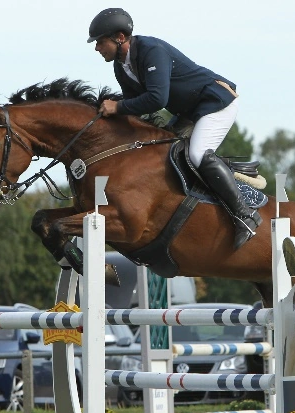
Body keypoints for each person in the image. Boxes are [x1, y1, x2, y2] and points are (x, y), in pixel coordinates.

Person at [87, 8, 261, 250]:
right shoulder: (120, 66)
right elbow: (135, 108)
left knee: (197, 155)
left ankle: (245, 216)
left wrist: (116, 107)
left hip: (216, 102)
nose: (97, 48)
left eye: (100, 41)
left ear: (119, 37)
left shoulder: (151, 50)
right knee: (162, 153)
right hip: (189, 112)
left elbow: (157, 99)